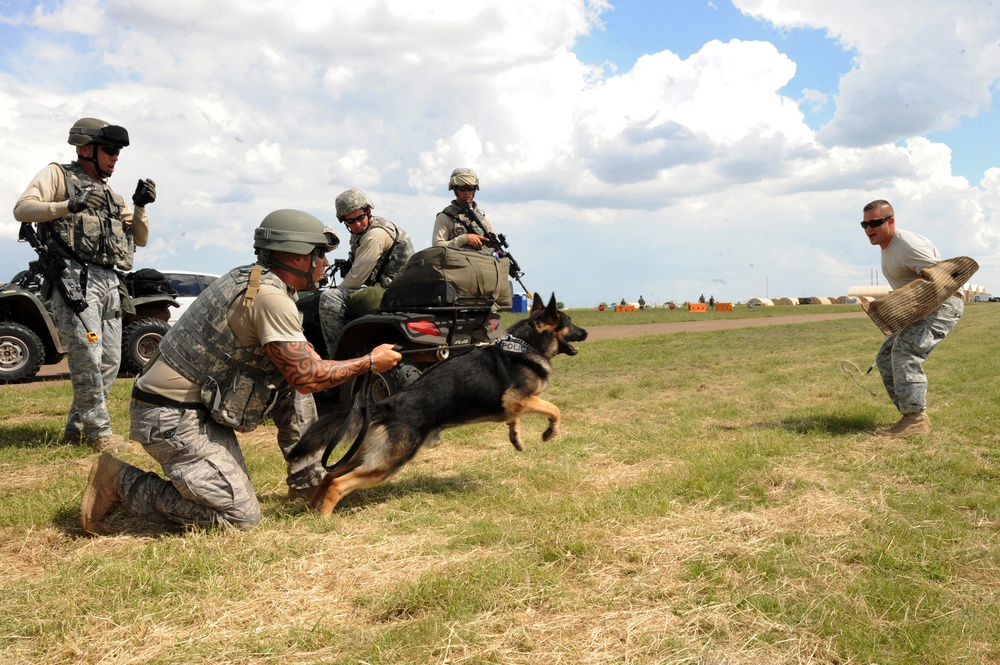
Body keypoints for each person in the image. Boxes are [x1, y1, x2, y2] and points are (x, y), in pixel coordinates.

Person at [79, 209, 403, 534]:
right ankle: (121, 482)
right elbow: (309, 374)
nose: (324, 262)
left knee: (290, 383)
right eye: (316, 254)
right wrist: (371, 362)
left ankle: (310, 483)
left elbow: (297, 374)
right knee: (239, 518)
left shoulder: (254, 280)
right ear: (290, 256)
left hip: (198, 406)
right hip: (169, 418)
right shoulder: (270, 298)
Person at [13, 117, 156, 452]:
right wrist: (68, 204)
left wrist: (139, 206)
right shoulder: (58, 176)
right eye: (109, 150)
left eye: (118, 152)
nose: (115, 158)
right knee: (87, 359)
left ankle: (76, 430)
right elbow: (23, 210)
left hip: (109, 281)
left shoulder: (112, 195)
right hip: (73, 281)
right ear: (84, 148)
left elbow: (141, 239)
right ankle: (99, 434)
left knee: (109, 362)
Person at [861, 199, 964, 438]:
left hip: (942, 306)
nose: (869, 229)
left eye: (875, 222)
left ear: (891, 221)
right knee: (885, 357)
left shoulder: (908, 245)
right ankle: (910, 416)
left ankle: (916, 419)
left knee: (905, 352)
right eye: (864, 224)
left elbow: (943, 280)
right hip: (921, 311)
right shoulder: (889, 247)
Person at [317, 188, 413, 355]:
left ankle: (338, 360)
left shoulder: (375, 235)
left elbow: (355, 281)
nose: (357, 224)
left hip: (392, 294)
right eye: (351, 221)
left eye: (360, 218)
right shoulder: (363, 231)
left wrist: (336, 290)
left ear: (368, 212)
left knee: (329, 297)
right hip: (392, 292)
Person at [432, 168, 497, 254]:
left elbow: (494, 250)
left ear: (474, 190)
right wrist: (464, 239)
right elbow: (437, 247)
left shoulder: (483, 220)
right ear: (455, 190)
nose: (466, 192)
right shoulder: (445, 217)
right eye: (462, 188)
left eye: (470, 188)